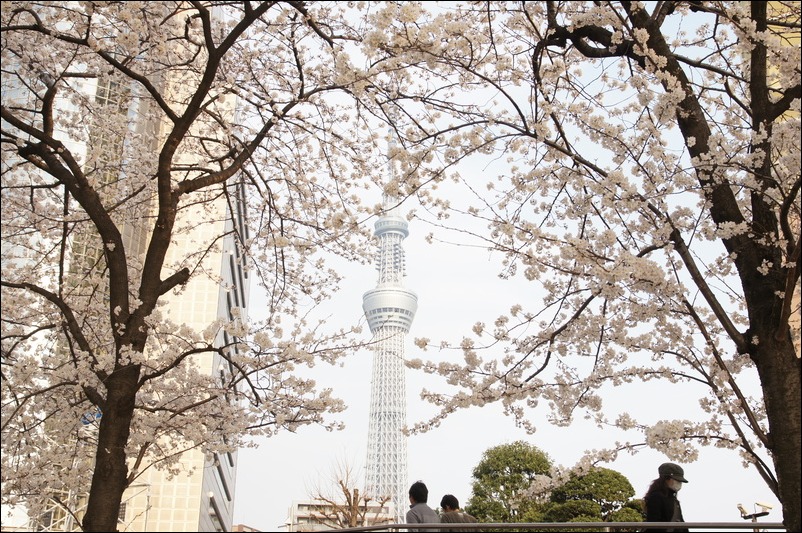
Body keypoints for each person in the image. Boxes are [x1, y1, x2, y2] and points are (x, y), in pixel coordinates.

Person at [643, 462, 689, 532]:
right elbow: (653, 524)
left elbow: (682, 523)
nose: (679, 483)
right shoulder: (656, 496)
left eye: (680, 481)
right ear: (666, 479)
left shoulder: (674, 499)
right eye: (676, 480)